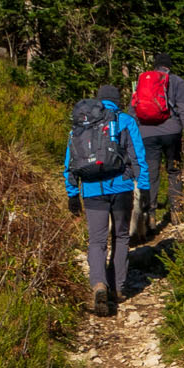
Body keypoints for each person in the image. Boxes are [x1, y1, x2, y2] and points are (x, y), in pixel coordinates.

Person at [64, 83, 149, 316]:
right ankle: (117, 288)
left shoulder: (81, 123)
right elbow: (138, 157)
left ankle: (99, 284)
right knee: (121, 237)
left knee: (96, 241)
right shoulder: (125, 121)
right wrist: (145, 189)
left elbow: (70, 161)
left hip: (91, 190)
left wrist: (72, 193)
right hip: (121, 188)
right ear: (117, 100)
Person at [130, 50, 184, 222]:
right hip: (171, 133)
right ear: (169, 66)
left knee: (151, 174)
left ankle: (150, 215)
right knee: (174, 170)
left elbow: (134, 109)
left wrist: (131, 137)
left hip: (147, 134)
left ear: (155, 66)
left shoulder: (143, 81)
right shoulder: (176, 81)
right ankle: (176, 212)